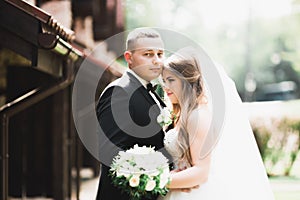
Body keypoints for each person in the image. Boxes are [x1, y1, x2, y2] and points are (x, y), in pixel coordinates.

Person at [158, 47, 275, 200]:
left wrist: (156, 179)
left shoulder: (197, 116)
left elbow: (201, 172)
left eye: (171, 80)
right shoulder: (184, 114)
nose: (165, 86)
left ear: (187, 81)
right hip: (179, 188)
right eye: (164, 80)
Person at [95, 27, 172, 200]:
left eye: (160, 54)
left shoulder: (154, 92)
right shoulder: (119, 92)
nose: (156, 61)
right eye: (148, 54)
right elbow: (111, 154)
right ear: (129, 58)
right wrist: (152, 173)